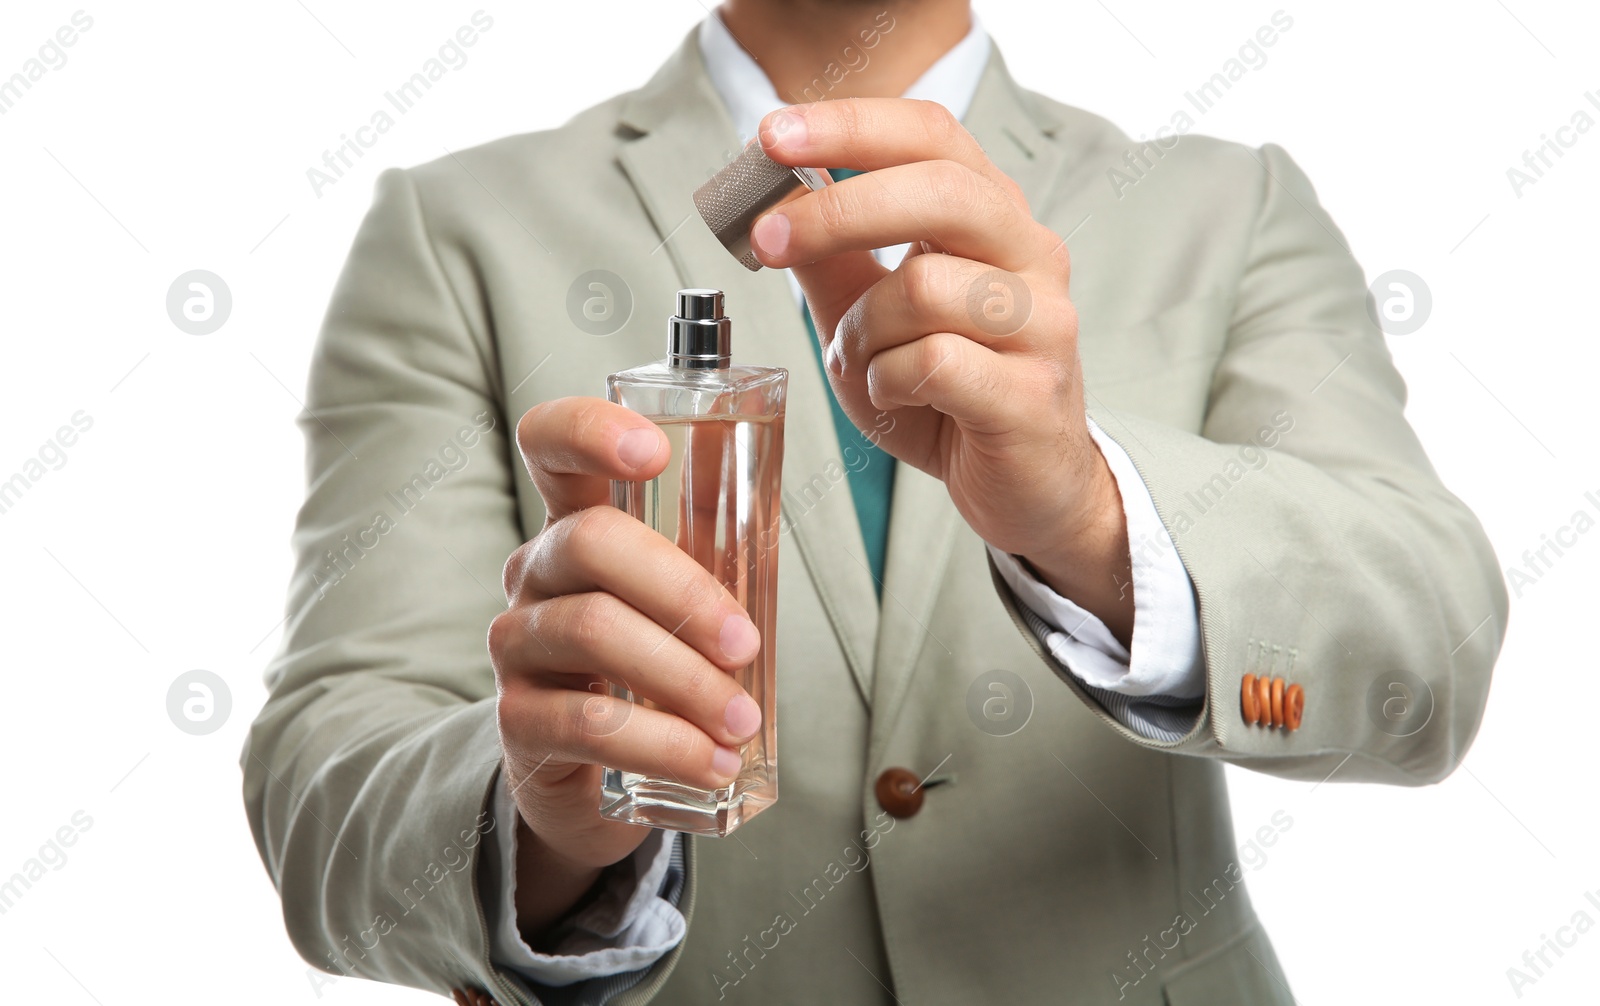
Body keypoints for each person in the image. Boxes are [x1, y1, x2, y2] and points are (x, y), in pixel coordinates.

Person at [241, 1, 1507, 1003]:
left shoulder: (1231, 207)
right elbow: (323, 779)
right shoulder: (457, 226)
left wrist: (1089, 516)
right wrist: (543, 826)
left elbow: (1424, 670)